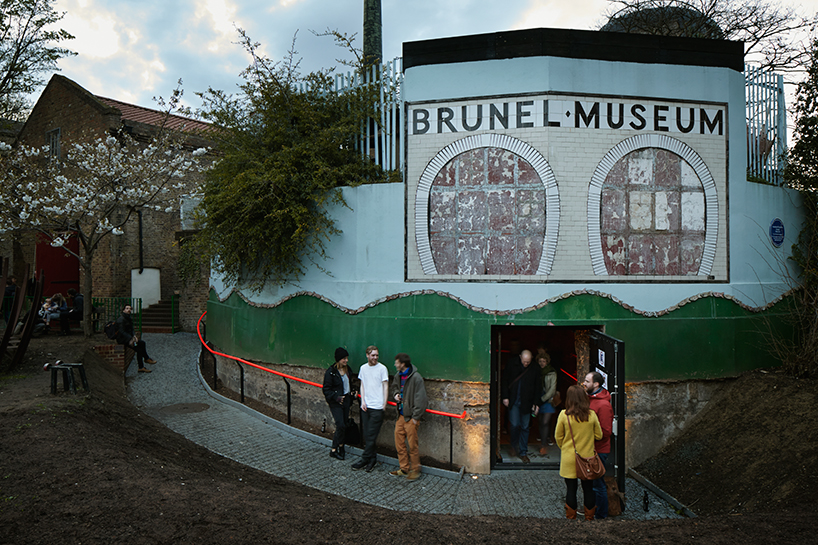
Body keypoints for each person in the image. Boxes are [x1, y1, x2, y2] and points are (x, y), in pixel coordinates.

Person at [555, 384, 603, 520]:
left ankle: (571, 517)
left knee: (571, 489)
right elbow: (598, 435)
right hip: (587, 459)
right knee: (588, 489)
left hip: (569, 458)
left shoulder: (564, 415)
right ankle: (589, 517)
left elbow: (558, 437)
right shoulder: (591, 415)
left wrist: (565, 447)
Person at [389, 353, 428, 481]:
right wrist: (395, 395)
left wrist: (415, 418)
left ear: (402, 364)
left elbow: (421, 399)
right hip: (400, 416)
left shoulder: (416, 378)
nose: (395, 364)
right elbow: (394, 388)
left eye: (396, 362)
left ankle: (415, 470)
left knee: (412, 446)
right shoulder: (398, 376)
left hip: (411, 418)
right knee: (399, 444)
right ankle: (404, 469)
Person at [352, 345, 389, 472]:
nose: (375, 357)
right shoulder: (363, 368)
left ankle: (364, 458)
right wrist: (363, 401)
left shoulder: (382, 368)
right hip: (366, 406)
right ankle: (372, 459)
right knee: (367, 435)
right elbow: (362, 385)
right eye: (373, 355)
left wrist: (384, 404)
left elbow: (385, 386)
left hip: (377, 407)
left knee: (371, 435)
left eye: (377, 355)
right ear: (367, 355)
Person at [501, 349, 541, 463]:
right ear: (520, 357)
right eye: (524, 361)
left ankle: (523, 452)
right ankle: (514, 446)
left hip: (527, 402)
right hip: (514, 400)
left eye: (528, 362)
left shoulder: (535, 368)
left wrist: (536, 403)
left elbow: (538, 386)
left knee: (525, 427)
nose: (526, 364)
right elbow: (505, 380)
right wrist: (505, 396)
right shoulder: (512, 364)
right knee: (514, 425)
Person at [583, 371, 614, 519]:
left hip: (598, 450)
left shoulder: (603, 405)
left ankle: (601, 515)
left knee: (598, 484)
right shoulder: (590, 399)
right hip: (591, 449)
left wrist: (587, 437)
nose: (584, 383)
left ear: (596, 384)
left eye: (587, 381)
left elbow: (606, 432)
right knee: (592, 483)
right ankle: (593, 510)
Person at [322, 347, 354, 460]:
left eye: (346, 358)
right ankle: (334, 449)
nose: (346, 360)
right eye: (344, 358)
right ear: (338, 359)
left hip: (346, 400)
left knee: (343, 425)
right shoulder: (331, 372)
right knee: (340, 424)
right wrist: (336, 397)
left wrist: (352, 394)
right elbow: (326, 389)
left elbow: (350, 384)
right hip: (336, 402)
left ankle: (341, 447)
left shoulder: (347, 370)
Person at [115, 304, 157, 373]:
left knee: (142, 343)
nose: (129, 310)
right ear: (123, 310)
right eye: (127, 308)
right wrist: (131, 338)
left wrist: (134, 336)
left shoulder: (128, 318)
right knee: (139, 349)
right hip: (123, 339)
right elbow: (121, 332)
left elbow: (131, 329)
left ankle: (144, 362)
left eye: (130, 309)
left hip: (129, 338)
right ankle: (143, 363)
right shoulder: (121, 319)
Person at [536, 349, 558, 455]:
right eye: (540, 361)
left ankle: (543, 445)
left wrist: (542, 399)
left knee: (545, 421)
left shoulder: (552, 372)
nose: (542, 363)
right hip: (538, 398)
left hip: (547, 399)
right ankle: (543, 440)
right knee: (540, 421)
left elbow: (552, 389)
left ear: (547, 361)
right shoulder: (536, 371)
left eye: (543, 361)